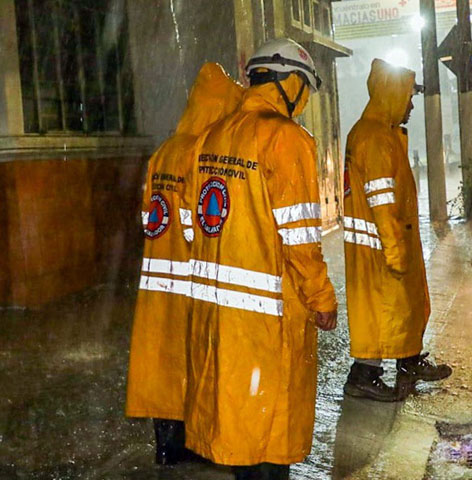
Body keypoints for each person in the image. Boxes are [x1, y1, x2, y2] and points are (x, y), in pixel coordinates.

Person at [182, 38, 338, 480]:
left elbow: (193, 226)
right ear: (290, 83)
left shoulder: (211, 136)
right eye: (304, 89)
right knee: (272, 427)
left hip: (218, 313)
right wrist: (321, 298)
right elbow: (300, 238)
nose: (304, 101)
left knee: (237, 419)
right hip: (269, 316)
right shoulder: (287, 139)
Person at [125, 63, 243, 465]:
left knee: (162, 358)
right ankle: (191, 443)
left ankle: (166, 444)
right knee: (194, 359)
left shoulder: (164, 150)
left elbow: (148, 215)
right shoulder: (202, 151)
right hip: (192, 278)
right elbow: (201, 224)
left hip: (159, 278)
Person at [341, 58, 452, 402]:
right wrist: (394, 249)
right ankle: (364, 374)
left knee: (403, 306)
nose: (411, 105)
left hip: (387, 241)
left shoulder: (381, 133)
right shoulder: (375, 138)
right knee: (380, 311)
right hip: (380, 245)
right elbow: (381, 201)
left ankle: (408, 360)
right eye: (408, 97)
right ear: (392, 95)